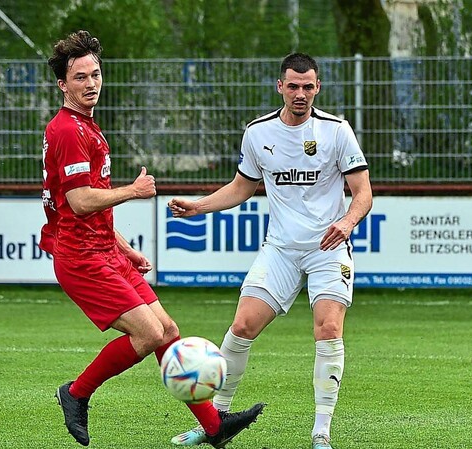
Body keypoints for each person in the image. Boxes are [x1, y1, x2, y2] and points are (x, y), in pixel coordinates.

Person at [41, 30, 264, 448]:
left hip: (104, 249)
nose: (91, 84)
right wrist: (133, 190)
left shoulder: (87, 127)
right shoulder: (69, 130)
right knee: (146, 335)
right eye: (80, 78)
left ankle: (214, 427)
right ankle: (75, 394)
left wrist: (124, 248)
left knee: (167, 330)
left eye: (95, 74)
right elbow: (81, 200)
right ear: (63, 85)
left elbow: (88, 209)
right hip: (80, 257)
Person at [167, 52, 372, 449]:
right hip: (280, 248)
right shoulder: (258, 133)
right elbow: (241, 188)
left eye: (308, 86)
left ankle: (321, 434)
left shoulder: (337, 130)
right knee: (242, 326)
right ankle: (214, 424)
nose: (300, 93)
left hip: (327, 248)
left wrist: (346, 223)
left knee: (328, 329)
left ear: (318, 88)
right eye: (293, 86)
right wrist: (199, 204)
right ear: (280, 86)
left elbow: (363, 194)